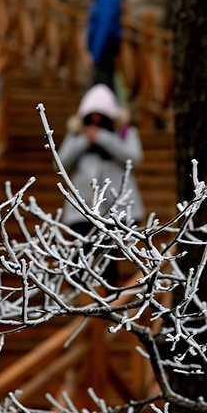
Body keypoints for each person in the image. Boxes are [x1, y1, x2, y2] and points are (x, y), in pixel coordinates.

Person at [57, 84, 143, 290]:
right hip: (82, 209)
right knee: (79, 257)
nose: (96, 121)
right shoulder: (76, 134)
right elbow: (60, 163)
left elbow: (134, 157)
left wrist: (104, 139)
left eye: (101, 116)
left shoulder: (124, 133)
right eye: (92, 116)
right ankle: (79, 303)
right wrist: (84, 142)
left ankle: (109, 301)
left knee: (109, 258)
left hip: (116, 209)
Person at [85, 0, 124, 90]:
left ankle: (104, 108)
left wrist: (97, 50)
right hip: (104, 45)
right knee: (103, 80)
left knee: (103, 82)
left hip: (104, 46)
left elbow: (105, 25)